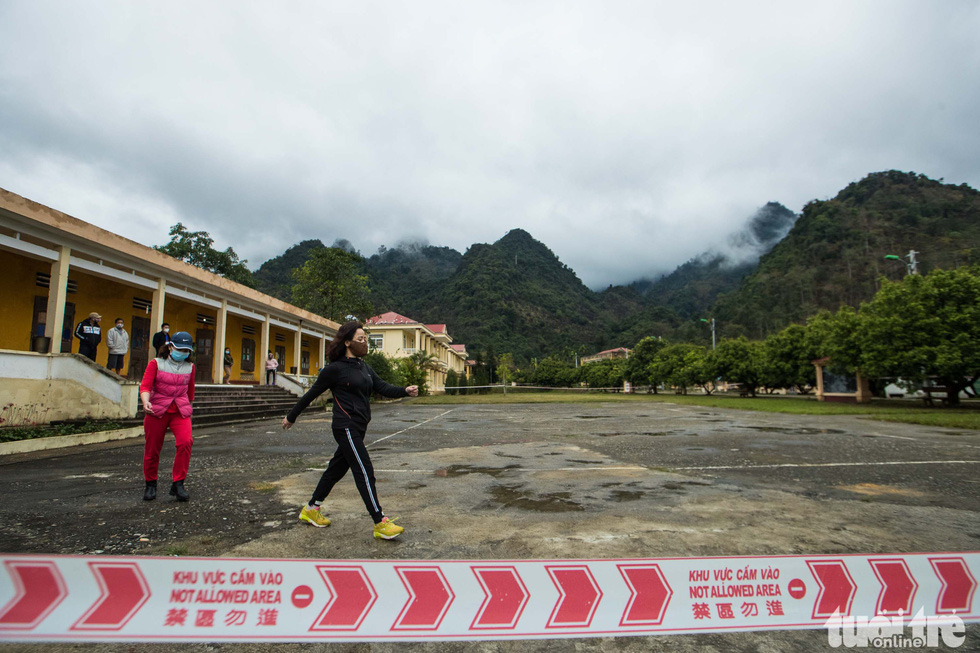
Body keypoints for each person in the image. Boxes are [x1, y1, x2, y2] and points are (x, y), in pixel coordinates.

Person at [282, 321, 418, 539]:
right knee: (364, 470)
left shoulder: (364, 368)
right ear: (347, 342)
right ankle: (380, 521)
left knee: (335, 470)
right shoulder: (334, 369)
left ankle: (311, 509)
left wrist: (405, 390)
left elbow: (383, 387)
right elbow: (311, 394)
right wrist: (291, 416)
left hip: (360, 426)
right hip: (345, 426)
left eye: (366, 339)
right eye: (360, 339)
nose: (364, 343)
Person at [140, 331, 196, 502]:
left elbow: (190, 391)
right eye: (180, 349)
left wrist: (188, 408)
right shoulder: (156, 363)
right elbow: (145, 386)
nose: (183, 353)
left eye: (186, 351)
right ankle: (150, 484)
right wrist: (145, 402)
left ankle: (178, 483)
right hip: (157, 410)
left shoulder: (190, 367)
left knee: (186, 442)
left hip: (179, 410)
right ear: (171, 347)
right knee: (152, 449)